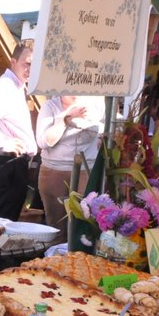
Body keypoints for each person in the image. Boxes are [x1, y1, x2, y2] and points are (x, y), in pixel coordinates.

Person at [0, 41, 37, 221]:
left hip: (13, 164)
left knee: (5, 223)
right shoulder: (6, 86)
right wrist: (2, 143)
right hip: (8, 162)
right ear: (13, 61)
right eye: (27, 63)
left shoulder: (16, 86)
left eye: (34, 65)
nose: (30, 69)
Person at [36, 95, 104, 243]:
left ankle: (80, 256)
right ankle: (56, 255)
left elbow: (111, 126)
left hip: (87, 169)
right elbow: (43, 142)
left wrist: (101, 136)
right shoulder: (50, 106)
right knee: (56, 227)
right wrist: (66, 118)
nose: (74, 93)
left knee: (85, 225)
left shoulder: (97, 103)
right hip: (54, 170)